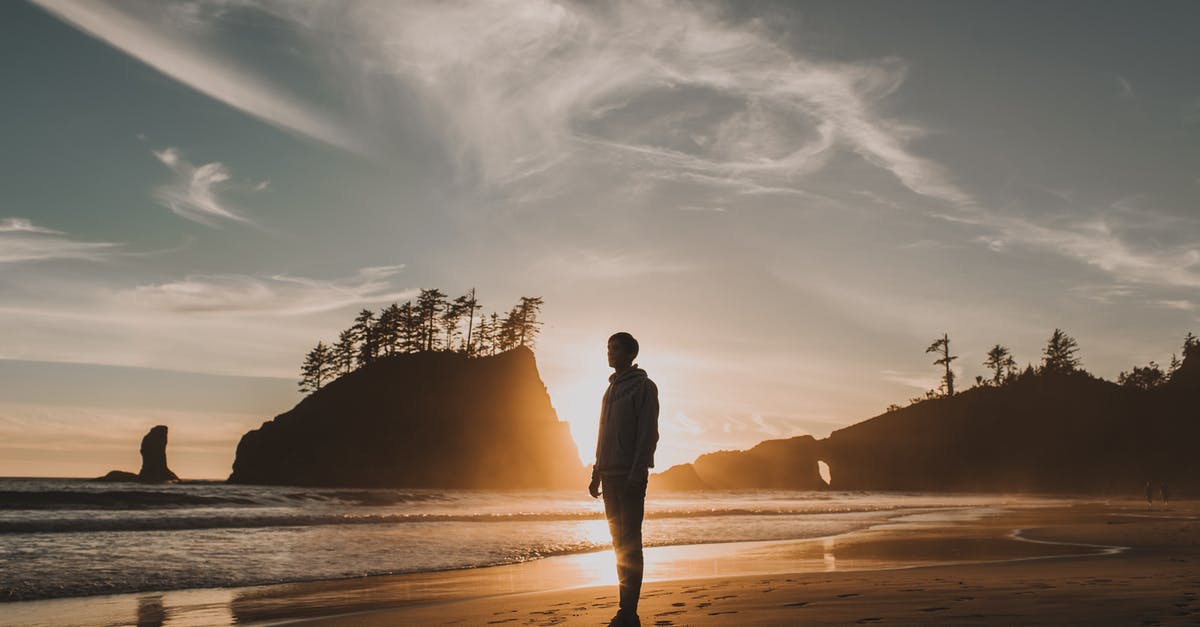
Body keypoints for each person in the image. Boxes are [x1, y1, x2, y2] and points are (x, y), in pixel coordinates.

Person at [588, 332, 659, 627]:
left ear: (631, 353)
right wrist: (595, 472)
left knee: (631, 543)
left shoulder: (644, 386)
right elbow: (602, 433)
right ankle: (624, 609)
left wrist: (637, 472)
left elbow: (648, 434)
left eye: (615, 348)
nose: (609, 353)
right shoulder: (610, 389)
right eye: (608, 348)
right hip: (609, 476)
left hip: (630, 477)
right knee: (618, 544)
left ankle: (629, 612)